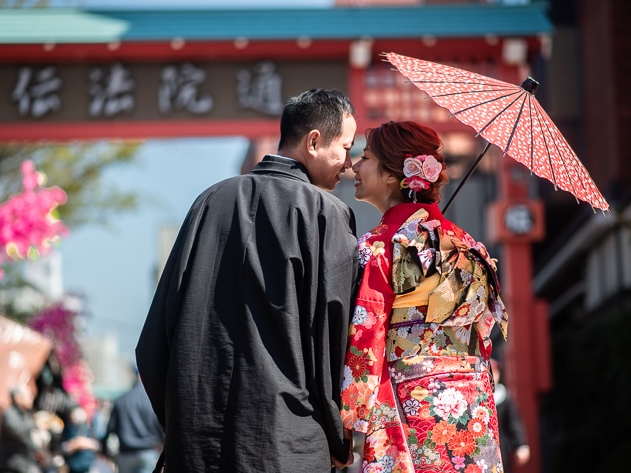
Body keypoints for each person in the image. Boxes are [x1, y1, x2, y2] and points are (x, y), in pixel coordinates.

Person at [136, 88, 360, 472]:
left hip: (196, 447)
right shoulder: (325, 213)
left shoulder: (209, 202)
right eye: (346, 147)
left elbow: (154, 340)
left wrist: (183, 425)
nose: (350, 163)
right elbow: (334, 334)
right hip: (288, 443)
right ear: (314, 141)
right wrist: (337, 434)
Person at [339, 120, 509, 472]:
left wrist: (345, 424)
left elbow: (365, 341)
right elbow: (483, 334)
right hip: (469, 405)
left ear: (392, 175)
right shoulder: (469, 246)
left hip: (409, 403)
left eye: (365, 158)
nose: (354, 166)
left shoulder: (379, 247)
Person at [102, 373, 164, 473]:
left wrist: (104, 450)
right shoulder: (151, 400)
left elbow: (110, 429)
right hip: (148, 452)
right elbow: (159, 425)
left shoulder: (121, 400)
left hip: (126, 455)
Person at [0, 382, 48, 473]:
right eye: (28, 396)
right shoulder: (9, 413)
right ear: (18, 398)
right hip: (10, 466)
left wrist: (38, 450)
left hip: (25, 463)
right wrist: (35, 425)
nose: (31, 398)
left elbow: (28, 438)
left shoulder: (26, 415)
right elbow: (17, 430)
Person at [491, 359, 530, 473]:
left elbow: (514, 423)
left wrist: (521, 445)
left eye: (495, 373)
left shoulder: (504, 398)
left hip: (501, 448)